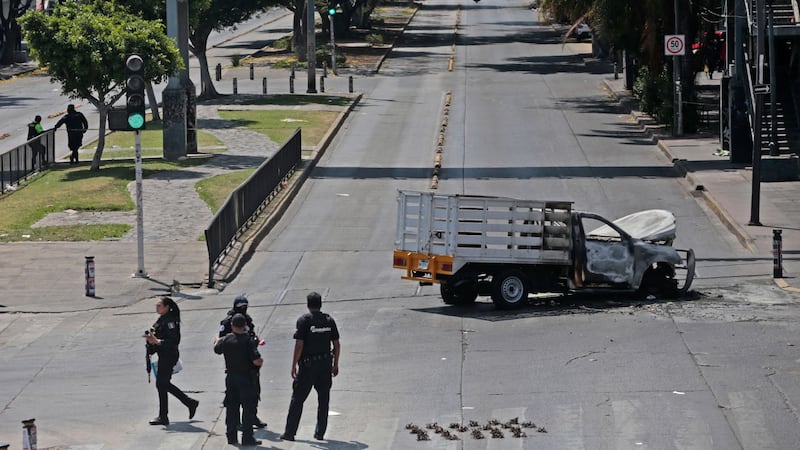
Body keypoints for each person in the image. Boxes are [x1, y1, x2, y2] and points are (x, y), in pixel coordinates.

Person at [281, 292, 340, 442]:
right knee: (324, 399)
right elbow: (337, 344)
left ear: (308, 305)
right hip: (325, 365)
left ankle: (290, 433)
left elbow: (299, 344)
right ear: (320, 304)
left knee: (297, 399)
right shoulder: (329, 320)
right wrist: (335, 364)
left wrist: (294, 364)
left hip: (308, 367)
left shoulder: (304, 321)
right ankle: (320, 433)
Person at [144, 296, 199, 426]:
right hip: (163, 355)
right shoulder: (162, 319)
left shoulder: (171, 322)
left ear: (167, 307)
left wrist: (158, 342)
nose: (156, 308)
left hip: (169, 355)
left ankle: (188, 403)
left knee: (162, 383)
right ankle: (165, 415)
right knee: (162, 384)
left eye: (159, 305)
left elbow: (174, 340)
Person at [218, 294, 268, 429]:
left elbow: (252, 335)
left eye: (245, 307)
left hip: (250, 359)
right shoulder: (228, 322)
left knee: (254, 391)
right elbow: (220, 342)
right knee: (235, 396)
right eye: (240, 307)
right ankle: (237, 423)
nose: (243, 309)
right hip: (235, 361)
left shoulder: (247, 320)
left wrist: (256, 341)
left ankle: (252, 417)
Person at [214, 313, 263, 446]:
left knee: (231, 407)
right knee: (248, 408)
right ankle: (247, 437)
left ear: (232, 325)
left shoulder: (227, 339)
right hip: (246, 379)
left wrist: (217, 339)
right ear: (245, 326)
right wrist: (261, 362)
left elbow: (216, 349)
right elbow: (256, 360)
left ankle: (231, 437)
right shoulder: (248, 340)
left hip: (231, 378)